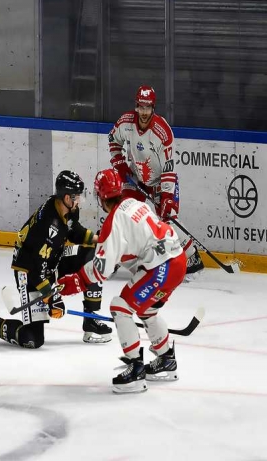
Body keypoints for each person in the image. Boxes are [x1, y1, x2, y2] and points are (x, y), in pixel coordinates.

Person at [56, 169, 187, 394]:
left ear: (100, 197)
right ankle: (166, 359)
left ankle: (135, 370)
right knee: (146, 310)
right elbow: (138, 243)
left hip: (161, 267)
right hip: (177, 260)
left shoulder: (113, 222)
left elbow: (100, 271)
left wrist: (73, 282)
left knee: (120, 306)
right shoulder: (136, 204)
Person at [0, 170, 110, 348]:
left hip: (52, 259)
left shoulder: (66, 207)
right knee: (32, 339)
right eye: (76, 196)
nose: (79, 200)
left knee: (93, 256)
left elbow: (74, 231)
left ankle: (91, 320)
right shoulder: (48, 227)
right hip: (28, 271)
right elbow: (36, 270)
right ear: (66, 197)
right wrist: (51, 298)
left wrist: (100, 238)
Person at [108, 85, 203, 278]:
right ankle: (115, 255)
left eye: (148, 107)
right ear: (136, 106)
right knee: (121, 212)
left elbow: (169, 169)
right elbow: (113, 140)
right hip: (136, 177)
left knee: (167, 218)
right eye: (141, 107)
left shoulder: (162, 132)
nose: (144, 112)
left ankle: (192, 256)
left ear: (153, 108)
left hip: (161, 181)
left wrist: (167, 196)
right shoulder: (125, 123)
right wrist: (120, 164)